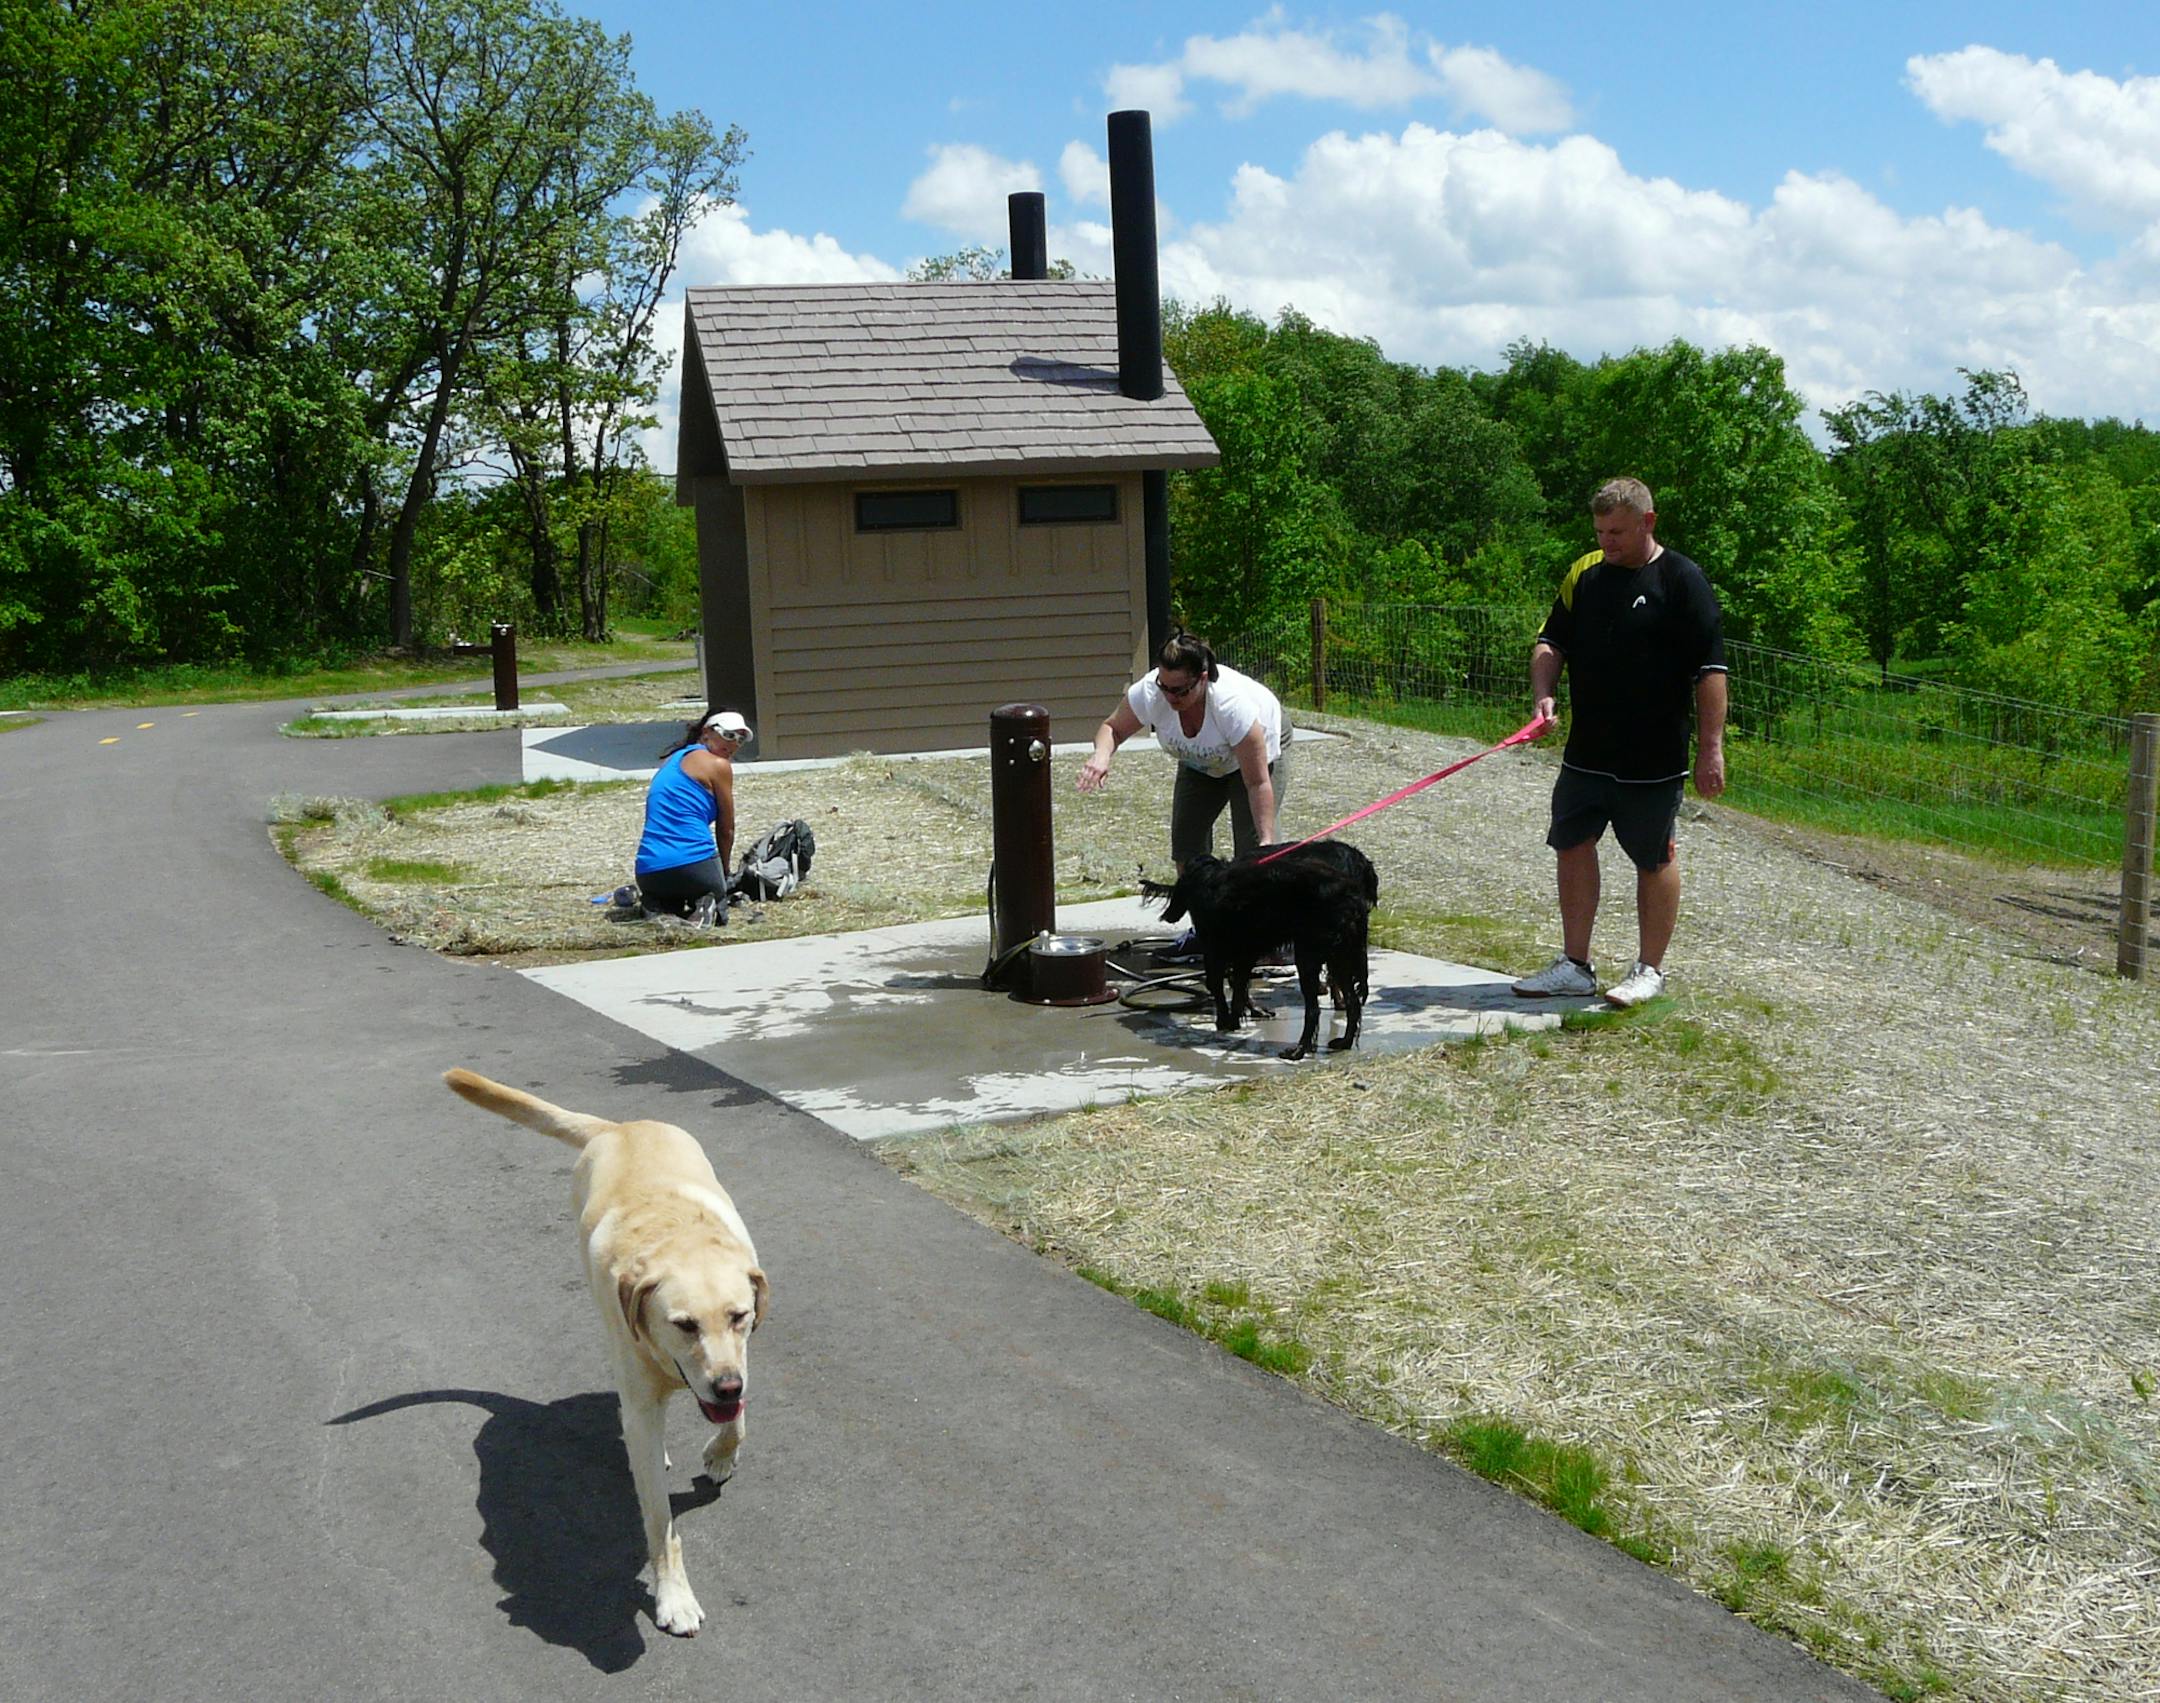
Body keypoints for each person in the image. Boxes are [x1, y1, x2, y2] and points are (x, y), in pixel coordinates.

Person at [1512, 478, 1727, 1008]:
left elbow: (1712, 670)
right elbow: (1550, 641)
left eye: (1618, 532)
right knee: (1571, 842)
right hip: (1587, 750)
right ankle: (1574, 965)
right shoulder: (1585, 574)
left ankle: (1649, 969)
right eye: (1601, 531)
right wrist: (1544, 695)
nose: (1607, 542)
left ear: (1648, 523)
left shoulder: (1682, 580)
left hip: (1653, 756)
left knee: (1653, 857)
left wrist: (1711, 749)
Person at [1077, 630, 1288, 867]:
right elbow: (1113, 728)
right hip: (1201, 761)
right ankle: (1196, 901)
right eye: (1164, 686)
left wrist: (1266, 841)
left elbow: (1257, 783)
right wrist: (1101, 756)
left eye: (1180, 690)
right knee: (1187, 845)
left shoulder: (1232, 707)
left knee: (1253, 852)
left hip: (1252, 760)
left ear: (1203, 679)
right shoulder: (1150, 692)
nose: (1170, 696)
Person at [633, 707, 753, 925]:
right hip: (695, 865)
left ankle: (655, 905)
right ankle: (706, 904)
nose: (734, 743)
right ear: (706, 732)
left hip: (648, 871)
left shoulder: (671, 760)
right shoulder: (719, 766)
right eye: (728, 735)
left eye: (740, 739)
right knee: (717, 906)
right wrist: (723, 874)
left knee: (668, 904)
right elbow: (726, 829)